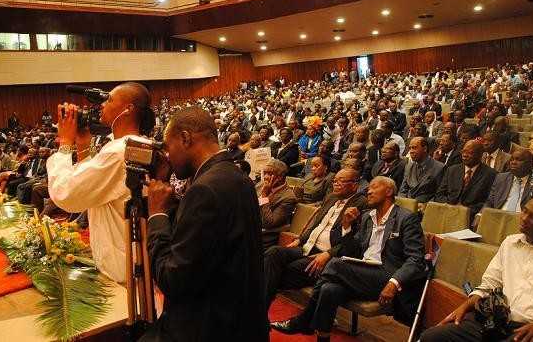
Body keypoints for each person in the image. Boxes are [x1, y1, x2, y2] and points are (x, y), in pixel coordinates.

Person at [143, 106, 268, 342]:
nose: (167, 156)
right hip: (240, 322)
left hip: (208, 327)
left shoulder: (204, 190)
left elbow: (172, 279)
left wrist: (156, 216)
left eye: (168, 148)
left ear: (185, 138)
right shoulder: (235, 175)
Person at [420, 194, 533, 342]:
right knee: (432, 337)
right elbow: (490, 283)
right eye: (524, 211)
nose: (524, 218)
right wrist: (467, 304)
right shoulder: (510, 243)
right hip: (497, 321)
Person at [271, 177, 427, 339]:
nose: (369, 191)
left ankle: (302, 321)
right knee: (329, 290)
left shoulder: (406, 218)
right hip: (361, 272)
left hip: (387, 275)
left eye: (374, 187)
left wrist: (394, 282)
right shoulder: (367, 216)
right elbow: (353, 249)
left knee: (335, 264)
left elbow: (416, 260)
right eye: (369, 187)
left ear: (388, 191)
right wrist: (346, 226)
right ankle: (321, 337)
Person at [47, 82, 155, 283]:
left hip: (122, 272)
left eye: (110, 99)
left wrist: (64, 144)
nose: (102, 104)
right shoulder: (133, 144)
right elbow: (92, 188)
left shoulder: (118, 152)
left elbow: (67, 194)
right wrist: (82, 145)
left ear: (128, 109)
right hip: (129, 260)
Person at [263, 168, 366, 312]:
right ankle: (261, 307)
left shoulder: (361, 204)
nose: (336, 184)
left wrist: (329, 253)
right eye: (335, 180)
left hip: (326, 255)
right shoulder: (331, 197)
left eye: (341, 181)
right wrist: (299, 240)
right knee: (273, 252)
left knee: (280, 271)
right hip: (308, 247)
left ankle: (260, 307)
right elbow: (316, 225)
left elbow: (356, 240)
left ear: (354, 185)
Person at [435, 139, 497, 217]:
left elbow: (488, 202)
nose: (464, 155)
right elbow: (439, 194)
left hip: (470, 216)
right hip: (447, 212)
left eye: (470, 152)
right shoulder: (452, 170)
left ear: (480, 155)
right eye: (463, 151)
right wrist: (450, 206)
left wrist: (466, 210)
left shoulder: (490, 174)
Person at [258, 159, 298, 250]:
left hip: (265, 237)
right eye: (264, 173)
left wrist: (264, 196)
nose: (265, 177)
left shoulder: (288, 197)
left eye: (269, 174)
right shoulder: (261, 185)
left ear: (280, 177)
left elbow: (269, 223)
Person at [398, 137, 444, 202]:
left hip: (426, 207)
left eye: (414, 148)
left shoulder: (439, 167)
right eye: (410, 148)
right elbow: (403, 190)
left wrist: (427, 206)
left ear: (425, 149)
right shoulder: (409, 166)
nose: (411, 151)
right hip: (407, 205)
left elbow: (439, 194)